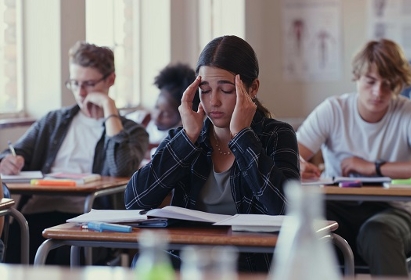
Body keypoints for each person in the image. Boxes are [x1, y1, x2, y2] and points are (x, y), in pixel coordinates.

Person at [125, 35, 300, 272]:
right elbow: (134, 200)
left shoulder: (277, 135)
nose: (213, 101)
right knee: (145, 264)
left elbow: (286, 209)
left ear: (253, 88)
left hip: (249, 263)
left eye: (226, 90)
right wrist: (188, 139)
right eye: (205, 90)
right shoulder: (187, 137)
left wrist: (242, 136)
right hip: (187, 260)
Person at [296, 38, 411, 276]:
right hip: (340, 208)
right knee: (310, 224)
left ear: (398, 85)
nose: (378, 92)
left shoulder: (409, 112)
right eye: (371, 81)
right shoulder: (334, 110)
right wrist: (298, 165)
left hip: (393, 211)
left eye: (388, 85)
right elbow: (289, 157)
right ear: (357, 77)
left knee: (378, 232)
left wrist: (375, 167)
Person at [0, 41, 149, 264]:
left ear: (110, 80)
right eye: (74, 83)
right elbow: (13, 152)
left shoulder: (132, 131)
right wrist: (8, 160)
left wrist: (109, 108)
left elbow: (122, 168)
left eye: (88, 84)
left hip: (89, 218)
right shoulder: (54, 121)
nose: (80, 93)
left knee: (64, 253)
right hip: (37, 213)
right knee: (12, 245)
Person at [128, 63, 200, 158]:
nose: (157, 116)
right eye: (157, 107)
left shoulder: (177, 139)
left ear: (181, 118)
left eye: (166, 114)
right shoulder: (140, 119)